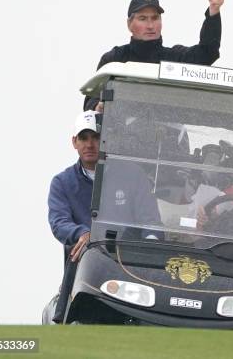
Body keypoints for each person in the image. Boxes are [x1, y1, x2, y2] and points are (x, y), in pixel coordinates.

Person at [47, 110, 161, 323]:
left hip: (130, 263)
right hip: (86, 266)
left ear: (106, 140)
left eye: (96, 137)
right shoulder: (62, 182)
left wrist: (151, 246)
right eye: (84, 138)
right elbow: (59, 223)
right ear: (74, 142)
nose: (90, 144)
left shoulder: (132, 174)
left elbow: (151, 221)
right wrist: (83, 233)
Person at [84, 0, 226, 111]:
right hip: (124, 135)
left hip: (170, 135)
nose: (150, 25)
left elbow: (207, 53)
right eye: (143, 18)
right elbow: (90, 103)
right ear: (129, 24)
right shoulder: (113, 60)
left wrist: (213, 11)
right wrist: (99, 107)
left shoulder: (175, 58)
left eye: (155, 18)